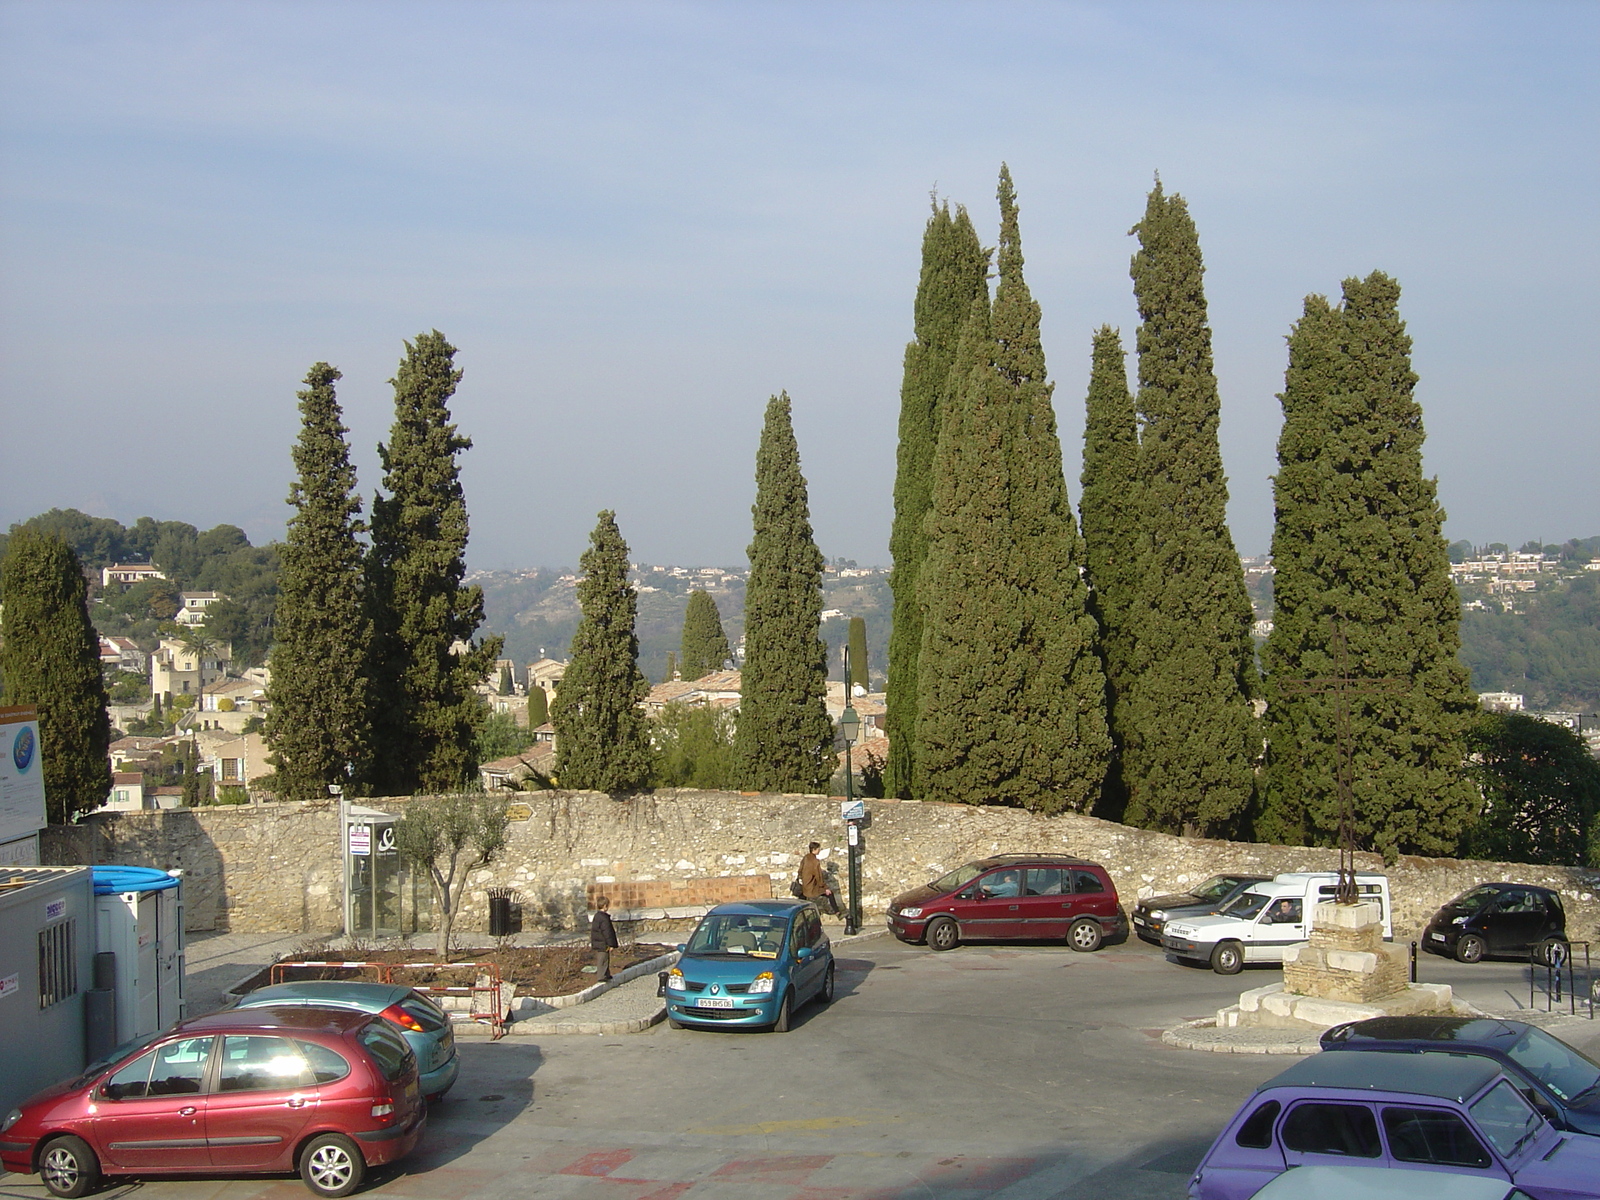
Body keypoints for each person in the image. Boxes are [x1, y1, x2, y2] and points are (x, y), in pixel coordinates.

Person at [799, 841, 838, 914]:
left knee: (803, 897)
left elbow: (800, 870)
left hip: (805, 886)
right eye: (818, 849)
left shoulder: (805, 858)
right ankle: (837, 912)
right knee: (830, 893)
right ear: (814, 849)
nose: (819, 850)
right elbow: (819, 877)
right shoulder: (815, 861)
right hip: (812, 887)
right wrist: (825, 888)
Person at [590, 895, 619, 981]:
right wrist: (610, 944)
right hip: (603, 942)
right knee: (603, 959)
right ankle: (601, 976)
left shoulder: (597, 916)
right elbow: (607, 932)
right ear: (605, 906)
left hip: (599, 941)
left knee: (605, 958)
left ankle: (606, 973)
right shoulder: (604, 918)